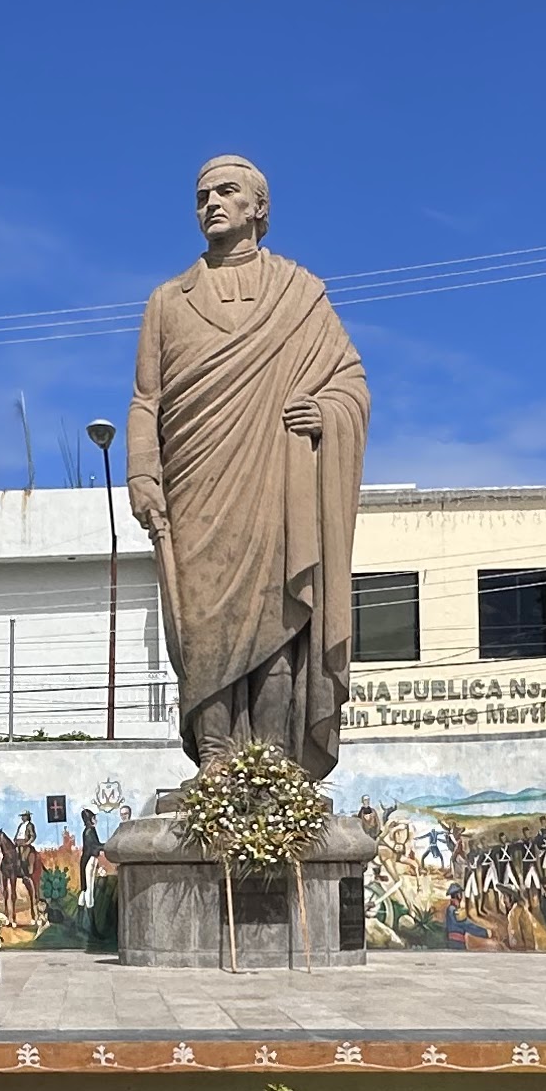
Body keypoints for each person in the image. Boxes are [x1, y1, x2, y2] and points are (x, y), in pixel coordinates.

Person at [125, 156, 370, 777]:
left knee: (279, 617)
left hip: (276, 488)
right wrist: (142, 476)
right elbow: (146, 401)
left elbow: (351, 381)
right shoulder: (166, 302)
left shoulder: (301, 294)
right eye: (201, 194)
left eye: (226, 191)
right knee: (204, 623)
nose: (210, 202)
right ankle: (214, 759)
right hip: (197, 491)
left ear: (258, 207)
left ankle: (272, 763)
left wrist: (327, 412)